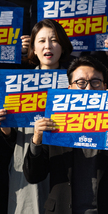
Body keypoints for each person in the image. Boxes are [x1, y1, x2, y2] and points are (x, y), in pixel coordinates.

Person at [23, 55, 108, 214]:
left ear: (104, 86)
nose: (88, 89)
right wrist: (36, 140)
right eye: (81, 83)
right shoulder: (54, 124)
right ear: (69, 88)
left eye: (95, 82)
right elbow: (33, 176)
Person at [0, 20, 72, 214]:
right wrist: (5, 127)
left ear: (63, 46)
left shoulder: (76, 83)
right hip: (27, 161)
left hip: (65, 164)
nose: (47, 46)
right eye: (41, 41)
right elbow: (10, 138)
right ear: (33, 47)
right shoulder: (16, 84)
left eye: (54, 40)